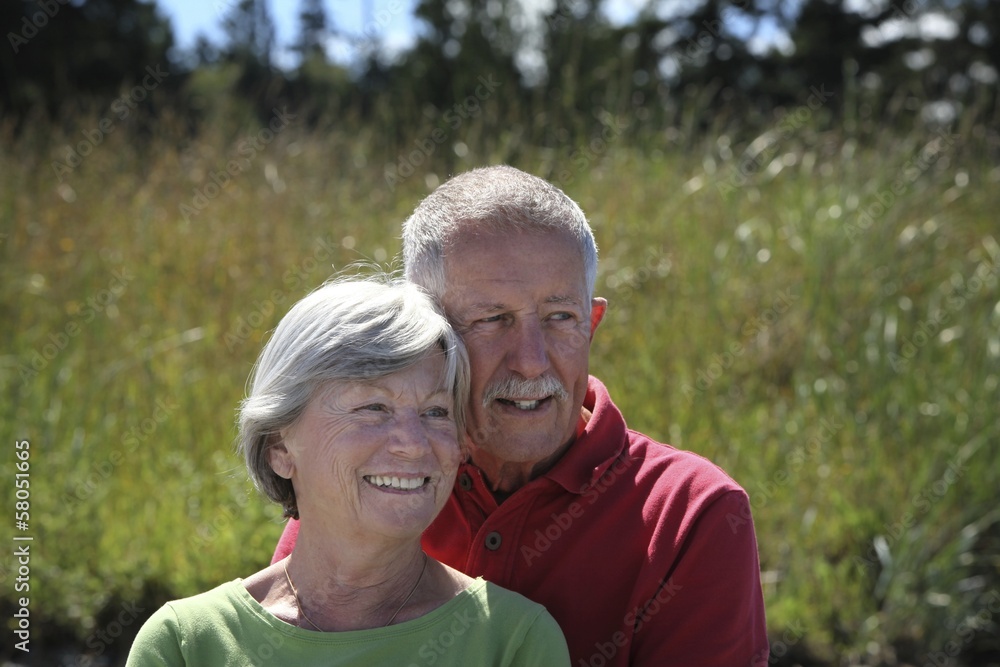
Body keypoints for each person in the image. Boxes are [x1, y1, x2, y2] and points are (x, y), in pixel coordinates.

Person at [274, 166, 770, 665]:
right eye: (493, 320)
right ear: (426, 333)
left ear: (591, 324)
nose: (531, 360)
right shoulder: (372, 474)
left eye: (560, 318)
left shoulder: (691, 514)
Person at [127, 277, 570, 666]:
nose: (413, 443)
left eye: (435, 412)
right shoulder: (186, 645)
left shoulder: (513, 642)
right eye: (372, 408)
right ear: (280, 446)